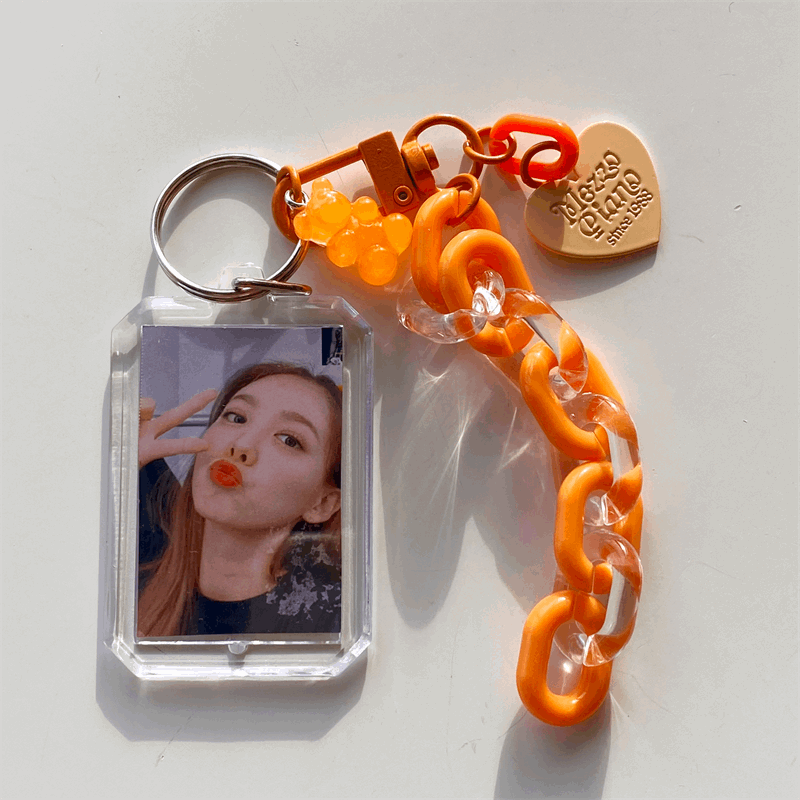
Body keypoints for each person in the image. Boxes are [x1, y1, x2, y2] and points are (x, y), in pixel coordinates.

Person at [137, 363, 343, 638]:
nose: (242, 445)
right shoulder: (126, 593)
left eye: (289, 440)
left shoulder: (337, 624)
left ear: (323, 504)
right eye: (236, 418)